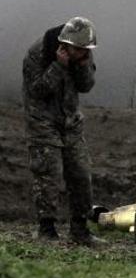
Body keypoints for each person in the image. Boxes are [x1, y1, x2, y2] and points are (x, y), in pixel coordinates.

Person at [22, 17, 103, 246]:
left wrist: (82, 65)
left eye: (85, 50)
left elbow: (86, 86)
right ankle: (46, 230)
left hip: (70, 121)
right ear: (65, 45)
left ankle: (80, 230)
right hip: (42, 121)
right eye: (78, 50)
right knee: (48, 173)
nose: (82, 53)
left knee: (80, 172)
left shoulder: (83, 53)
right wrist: (58, 66)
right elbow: (37, 91)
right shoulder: (39, 53)